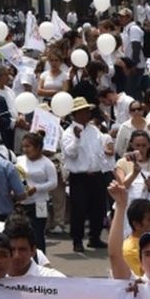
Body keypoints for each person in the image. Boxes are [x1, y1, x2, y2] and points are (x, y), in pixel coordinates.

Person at [60, 97, 108, 252]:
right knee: (79, 210)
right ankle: (77, 240)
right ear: (75, 114)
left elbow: (100, 150)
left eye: (87, 111)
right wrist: (77, 138)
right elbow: (70, 153)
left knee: (98, 208)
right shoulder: (68, 133)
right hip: (79, 177)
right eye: (83, 111)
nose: (86, 114)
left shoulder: (94, 130)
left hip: (96, 174)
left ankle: (95, 237)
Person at [16, 132, 57, 252]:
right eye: (23, 146)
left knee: (38, 233)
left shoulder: (47, 163)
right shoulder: (19, 160)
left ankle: (40, 260)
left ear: (38, 147)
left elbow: (53, 183)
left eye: (28, 146)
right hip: (22, 202)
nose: (25, 149)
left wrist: (37, 188)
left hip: (40, 203)